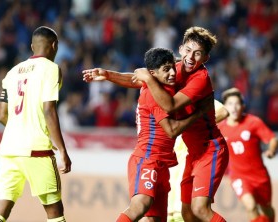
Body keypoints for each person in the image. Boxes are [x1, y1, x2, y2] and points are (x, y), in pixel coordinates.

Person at [83, 26, 229, 222]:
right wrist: (109, 75)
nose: (190, 57)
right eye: (188, 50)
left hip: (210, 149)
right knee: (187, 214)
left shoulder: (200, 79)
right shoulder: (174, 69)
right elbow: (143, 79)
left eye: (198, 53)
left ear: (205, 59)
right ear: (180, 48)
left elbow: (170, 104)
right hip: (189, 153)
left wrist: (148, 79)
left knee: (200, 209)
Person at [0, 26, 72, 222]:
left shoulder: (12, 72)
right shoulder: (52, 69)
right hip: (36, 149)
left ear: (32, 46)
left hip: (8, 149)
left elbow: (2, 114)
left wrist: (20, 128)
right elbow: (49, 110)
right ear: (54, 46)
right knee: (54, 209)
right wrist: (62, 150)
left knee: (0, 208)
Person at [218, 87, 278, 222]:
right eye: (230, 104)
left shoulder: (253, 122)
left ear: (243, 106)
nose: (234, 108)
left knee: (266, 208)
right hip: (239, 176)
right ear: (225, 107)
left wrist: (271, 150)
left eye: (237, 104)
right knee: (250, 206)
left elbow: (272, 139)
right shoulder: (220, 128)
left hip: (260, 176)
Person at [167, 100, 229, 222]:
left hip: (200, 159)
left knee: (199, 209)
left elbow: (223, 111)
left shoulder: (190, 93)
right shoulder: (162, 97)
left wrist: (192, 125)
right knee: (188, 213)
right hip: (171, 193)